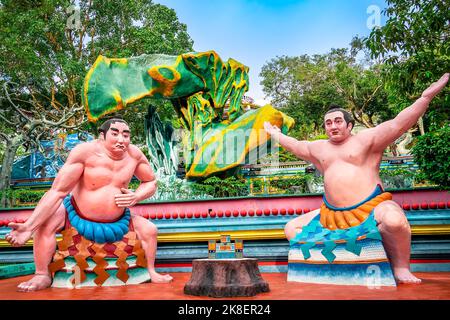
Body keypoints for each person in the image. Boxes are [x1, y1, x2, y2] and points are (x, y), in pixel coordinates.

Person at [263, 73, 449, 284]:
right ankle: (333, 268)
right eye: (328, 123)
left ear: (349, 126)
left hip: (371, 207)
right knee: (291, 228)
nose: (333, 126)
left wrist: (425, 98)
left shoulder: (366, 140)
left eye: (338, 121)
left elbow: (398, 124)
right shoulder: (319, 148)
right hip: (331, 214)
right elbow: (295, 145)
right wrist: (275, 134)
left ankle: (401, 267)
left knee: (394, 221)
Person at [5, 118, 173, 291]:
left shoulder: (134, 155)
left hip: (119, 220)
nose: (121, 140)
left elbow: (151, 182)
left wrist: (136, 196)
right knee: (46, 222)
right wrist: (29, 227)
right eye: (115, 134)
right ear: (102, 135)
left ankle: (151, 271)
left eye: (126, 135)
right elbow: (57, 192)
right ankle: (42, 274)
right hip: (75, 214)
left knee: (150, 230)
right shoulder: (85, 152)